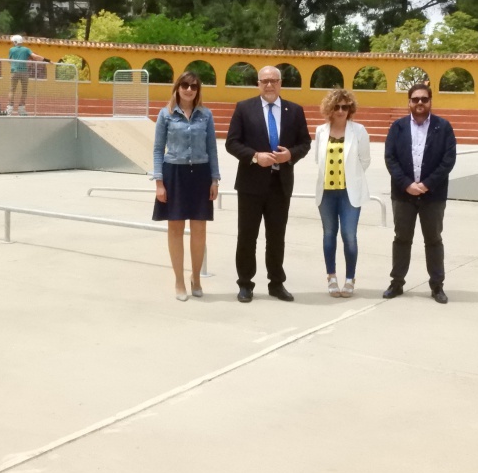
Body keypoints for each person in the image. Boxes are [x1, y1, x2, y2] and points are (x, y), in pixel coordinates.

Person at [225, 66, 311, 303]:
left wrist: (290, 155)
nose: (269, 85)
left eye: (274, 81)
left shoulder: (294, 110)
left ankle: (276, 283)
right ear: (258, 83)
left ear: (281, 83)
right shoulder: (244, 108)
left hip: (280, 184)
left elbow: (305, 143)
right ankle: (245, 284)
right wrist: (255, 156)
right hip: (251, 183)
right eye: (265, 81)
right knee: (247, 236)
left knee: (276, 237)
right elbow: (232, 143)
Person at [383, 83, 457, 304]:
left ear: (430, 101)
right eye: (415, 99)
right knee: (402, 239)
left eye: (424, 99)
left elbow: (448, 160)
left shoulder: (443, 127)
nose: (419, 103)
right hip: (403, 194)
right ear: (409, 102)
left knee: (433, 240)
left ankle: (437, 286)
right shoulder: (398, 127)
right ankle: (397, 283)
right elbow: (390, 158)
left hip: (432, 195)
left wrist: (425, 185)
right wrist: (407, 184)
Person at [151, 71, 221, 302]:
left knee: (199, 230)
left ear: (198, 90)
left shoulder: (206, 115)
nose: (189, 90)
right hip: (175, 173)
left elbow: (212, 148)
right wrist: (159, 183)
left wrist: (214, 179)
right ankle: (179, 279)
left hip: (200, 173)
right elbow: (157, 149)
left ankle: (196, 278)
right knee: (175, 229)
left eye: (193, 86)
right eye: (185, 85)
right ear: (177, 87)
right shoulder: (166, 114)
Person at [313, 89, 370, 298]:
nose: (340, 111)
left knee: (349, 236)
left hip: (349, 193)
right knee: (329, 235)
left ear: (350, 109)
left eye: (345, 107)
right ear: (329, 108)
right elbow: (317, 159)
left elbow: (365, 160)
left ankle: (349, 279)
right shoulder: (320, 131)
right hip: (326, 192)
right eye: (336, 107)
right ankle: (332, 277)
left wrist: (351, 178)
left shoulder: (359, 130)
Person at [6, 35, 45, 116]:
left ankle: (9, 109)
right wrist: (47, 60)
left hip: (14, 72)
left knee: (12, 90)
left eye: (13, 42)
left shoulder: (11, 49)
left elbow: (9, 60)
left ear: (15, 42)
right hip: (24, 72)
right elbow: (34, 56)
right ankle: (21, 109)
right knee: (24, 91)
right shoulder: (26, 49)